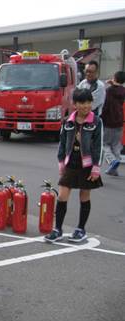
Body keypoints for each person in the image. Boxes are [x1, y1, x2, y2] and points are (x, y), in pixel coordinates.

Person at [44, 88, 103, 244]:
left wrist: (96, 167)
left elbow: (99, 146)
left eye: (89, 102)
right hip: (71, 163)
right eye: (82, 102)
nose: (86, 106)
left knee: (84, 195)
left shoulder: (96, 121)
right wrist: (61, 162)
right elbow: (62, 143)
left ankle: (80, 229)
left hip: (88, 165)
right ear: (75, 104)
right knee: (62, 195)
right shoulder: (68, 121)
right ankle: (57, 229)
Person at [101, 70, 125, 176]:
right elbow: (118, 89)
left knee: (104, 144)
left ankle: (112, 161)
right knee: (115, 145)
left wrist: (101, 116)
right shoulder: (123, 91)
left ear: (114, 78)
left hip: (109, 121)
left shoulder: (109, 91)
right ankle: (114, 169)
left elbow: (106, 105)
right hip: (119, 122)